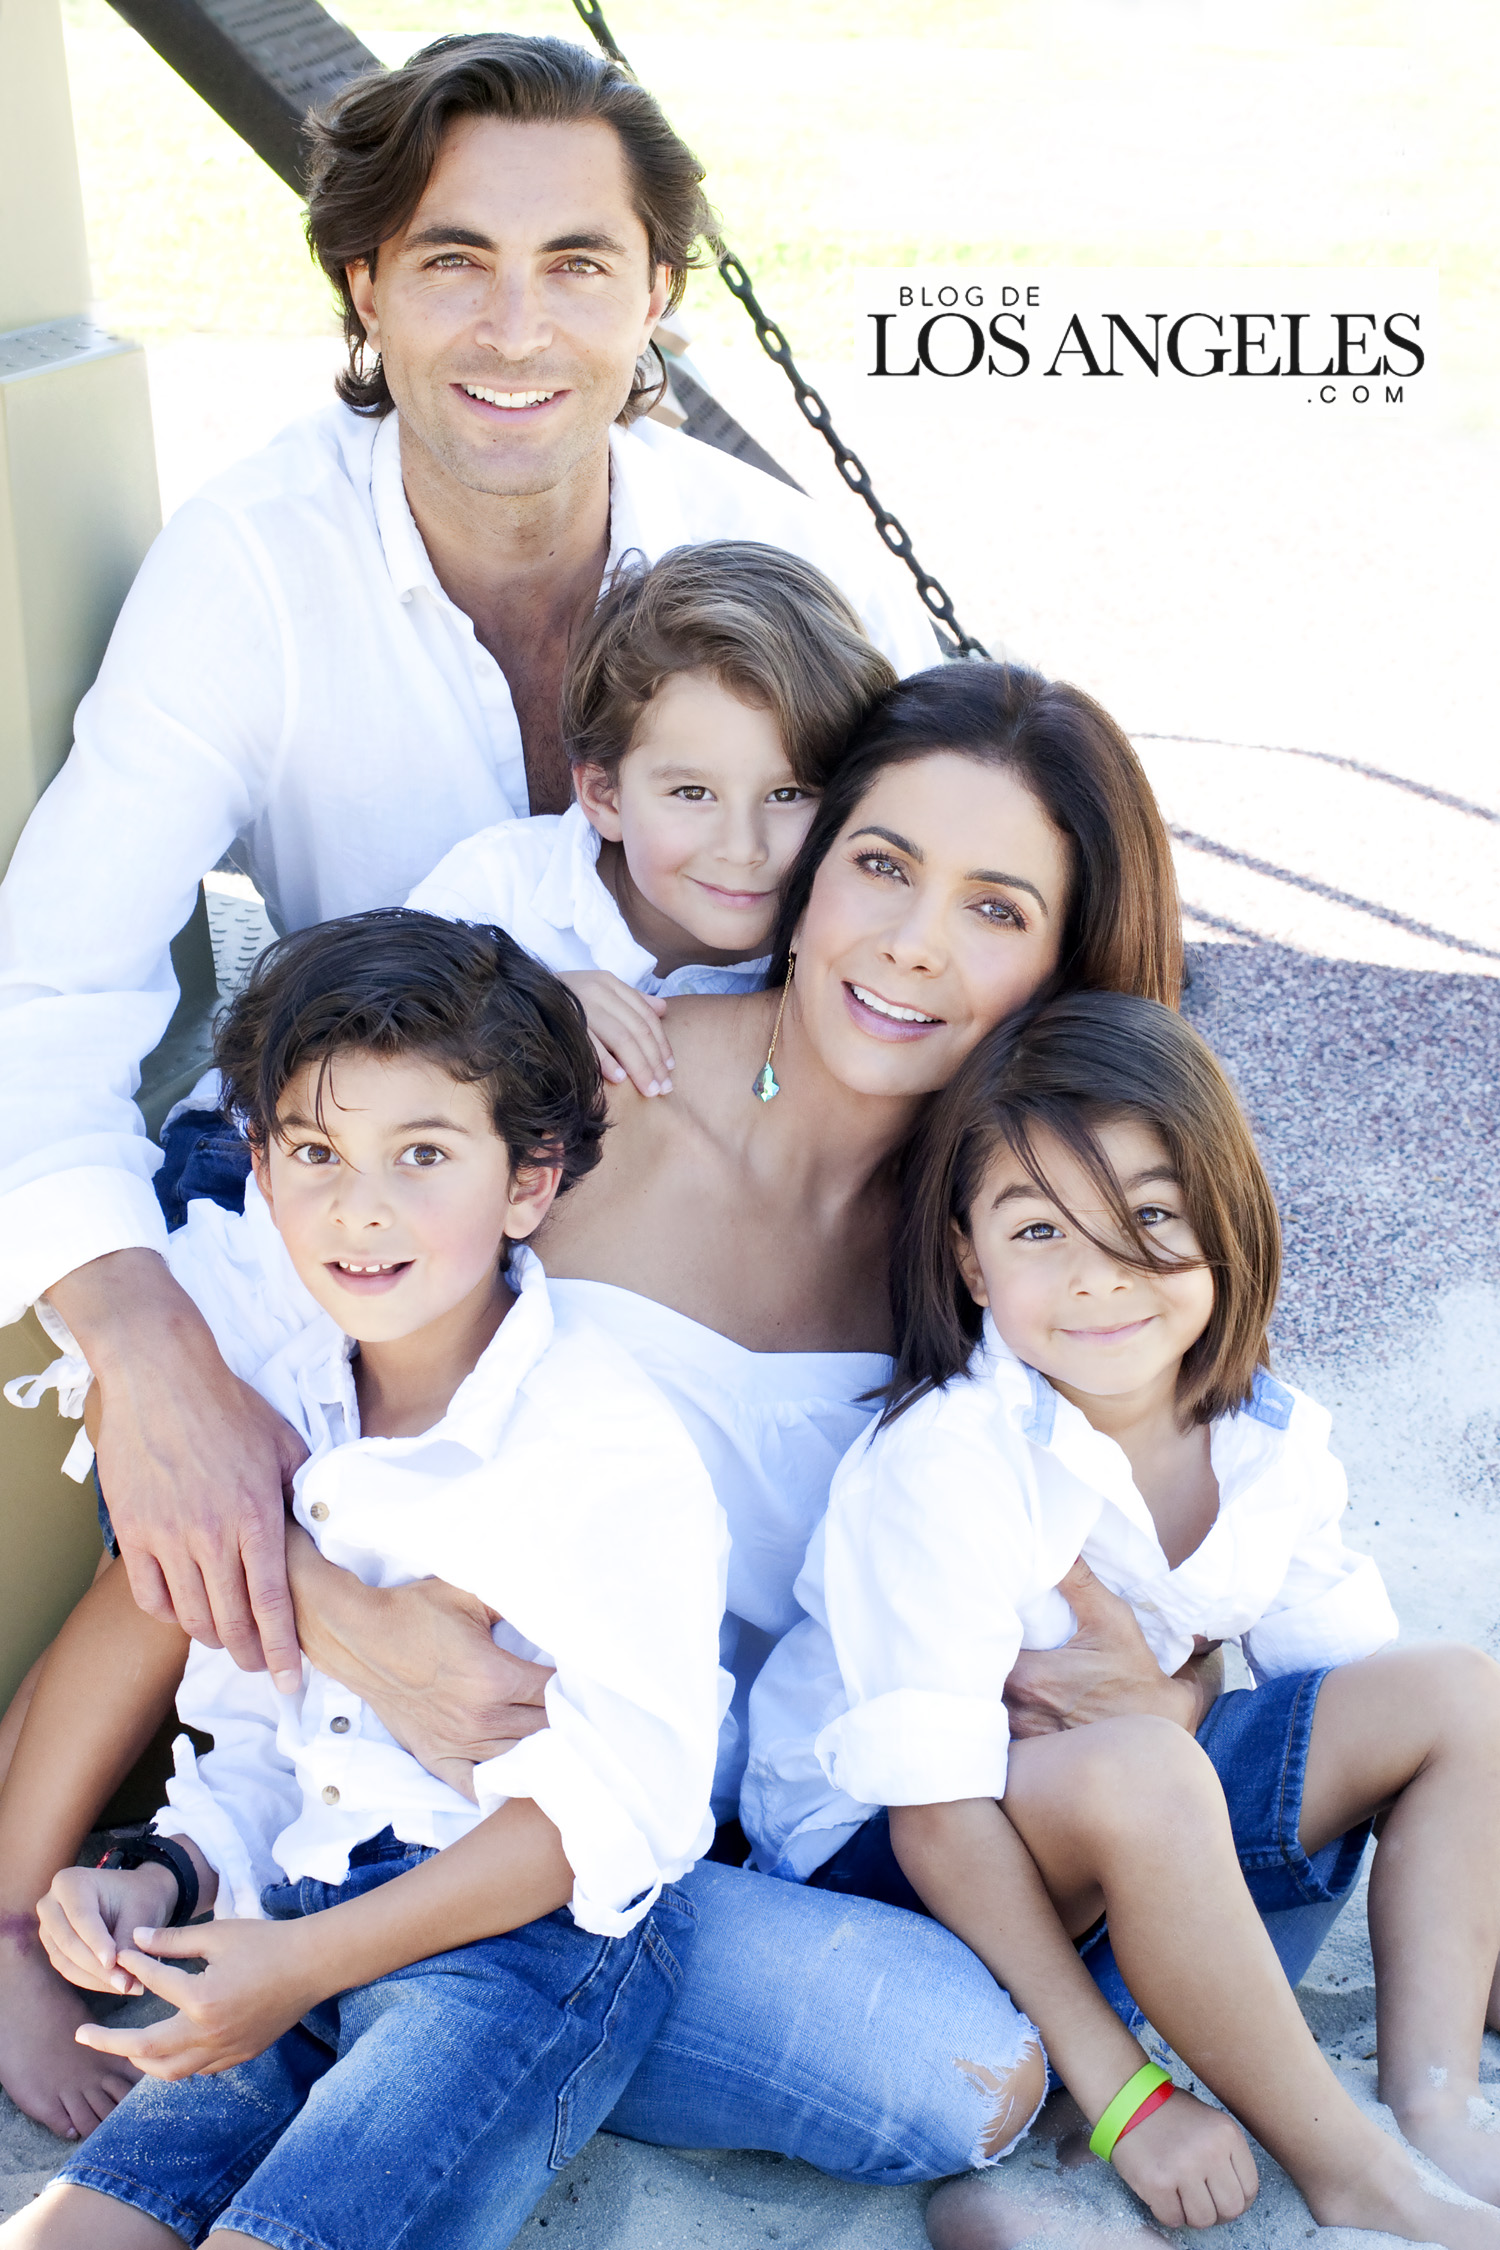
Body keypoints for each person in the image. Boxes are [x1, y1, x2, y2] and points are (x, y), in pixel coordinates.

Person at [0, 663, 1180, 2171]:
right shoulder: (582, 1101)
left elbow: (1184, 1485)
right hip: (354, 1724)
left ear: (1067, 964)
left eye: (996, 909)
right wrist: (355, 1624)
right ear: (812, 867)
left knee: (952, 2073)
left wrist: (1176, 1682)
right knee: (217, 1512)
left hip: (621, 1828)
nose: (913, 943)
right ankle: (84, 1924)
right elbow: (199, 1412)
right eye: (883, 866)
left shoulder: (1012, 1239)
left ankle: (351, 1986)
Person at [0, 29, 938, 1689]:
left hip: (711, 1226)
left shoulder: (775, 563)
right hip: (405, 1218)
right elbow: (46, 993)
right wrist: (146, 1357)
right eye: (454, 262)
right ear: (364, 286)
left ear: (658, 295)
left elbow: (957, 916)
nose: (516, 329)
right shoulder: (252, 568)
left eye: (578, 264)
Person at [3, 907, 726, 2249]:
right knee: (73, 2234)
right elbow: (266, 1738)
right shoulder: (290, 1404)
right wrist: (161, 1874)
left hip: (518, 1955)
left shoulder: (599, 1443)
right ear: (260, 1168)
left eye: (425, 1154)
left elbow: (612, 1815)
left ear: (530, 1181)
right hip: (300, 1912)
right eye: (317, 1153)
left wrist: (300, 1964)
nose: (361, 1206)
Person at [745, 990, 1500, 2247]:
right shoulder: (948, 1462)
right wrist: (1132, 2103)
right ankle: (1339, 2167)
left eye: (1150, 1216)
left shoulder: (1263, 1443)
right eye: (1040, 1229)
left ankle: (1431, 2101)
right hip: (891, 1870)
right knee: (1147, 1767)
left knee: (1455, 1693)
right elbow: (934, 1816)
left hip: (1120, 1832)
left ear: (1225, 1219)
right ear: (971, 1261)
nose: (1099, 1275)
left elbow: (1362, 1715)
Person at [408, 539, 896, 1098]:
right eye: (693, 793)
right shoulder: (498, 888)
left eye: (789, 794)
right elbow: (368, 1031)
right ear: (605, 797)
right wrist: (522, 1008)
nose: (743, 848)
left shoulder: (846, 949)